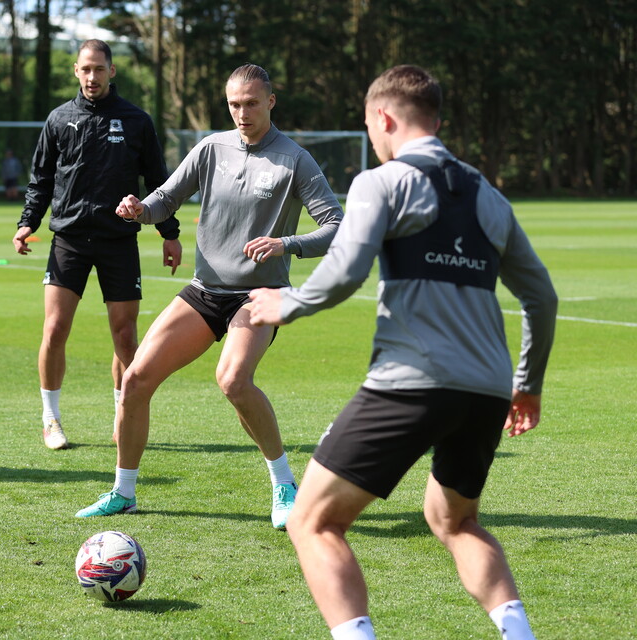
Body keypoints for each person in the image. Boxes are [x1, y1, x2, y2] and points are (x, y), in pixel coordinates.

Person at [248, 65, 557, 639]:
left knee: (312, 521)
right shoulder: (489, 195)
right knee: (456, 521)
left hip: (412, 378)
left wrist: (284, 302)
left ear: (384, 119)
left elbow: (344, 272)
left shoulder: (381, 182)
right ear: (436, 120)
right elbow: (541, 298)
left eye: (370, 126)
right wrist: (527, 383)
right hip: (487, 389)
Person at [75, 64, 343, 530]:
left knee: (233, 380)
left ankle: (284, 485)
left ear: (271, 102)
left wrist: (287, 244)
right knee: (135, 380)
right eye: (235, 104)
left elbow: (337, 227)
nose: (242, 112)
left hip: (259, 294)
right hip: (204, 291)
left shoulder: (295, 159)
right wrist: (139, 210)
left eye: (251, 103)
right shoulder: (211, 148)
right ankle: (123, 492)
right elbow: (165, 198)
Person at [13, 39, 182, 450]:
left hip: (119, 240)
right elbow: (41, 180)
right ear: (76, 71)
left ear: (112, 72)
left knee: (125, 338)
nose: (92, 77)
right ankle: (50, 419)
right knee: (55, 329)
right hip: (69, 238)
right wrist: (26, 224)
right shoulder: (58, 119)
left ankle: (123, 412)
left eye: (99, 69)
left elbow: (159, 182)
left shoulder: (136, 121)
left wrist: (169, 233)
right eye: (86, 70)